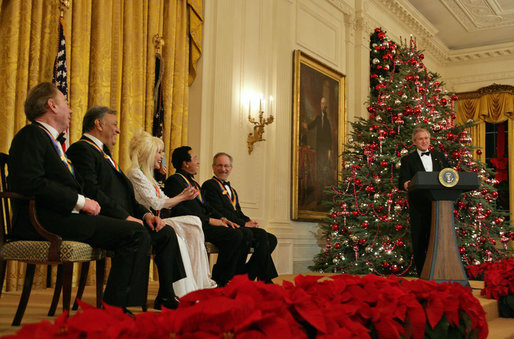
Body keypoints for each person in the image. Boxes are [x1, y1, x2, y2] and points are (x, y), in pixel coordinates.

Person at [8, 82, 151, 312]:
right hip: (42, 219)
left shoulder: (52, 142)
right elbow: (30, 182)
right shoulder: (30, 136)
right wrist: (81, 202)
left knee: (136, 231)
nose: (71, 110)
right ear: (51, 106)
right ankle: (113, 310)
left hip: (62, 216)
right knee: (135, 233)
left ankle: (115, 308)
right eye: (66, 103)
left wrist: (92, 203)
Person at [67, 106, 184, 309]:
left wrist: (146, 215)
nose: (118, 130)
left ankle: (166, 295)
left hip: (119, 218)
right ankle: (116, 305)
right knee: (137, 233)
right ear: (98, 124)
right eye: (114, 124)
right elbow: (91, 192)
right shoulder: (81, 150)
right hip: (101, 219)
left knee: (165, 233)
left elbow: (127, 197)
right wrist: (124, 217)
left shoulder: (105, 154)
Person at [126, 131, 217, 292]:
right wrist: (182, 197)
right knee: (193, 222)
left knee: (194, 223)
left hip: (157, 219)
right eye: (158, 152)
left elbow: (165, 201)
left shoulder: (148, 176)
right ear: (148, 153)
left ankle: (199, 280)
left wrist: (183, 196)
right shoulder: (135, 173)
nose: (162, 156)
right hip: (146, 222)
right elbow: (156, 203)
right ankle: (194, 282)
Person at [163, 146, 246, 287]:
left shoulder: (194, 183)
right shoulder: (174, 181)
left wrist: (222, 219)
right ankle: (222, 279)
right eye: (195, 158)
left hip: (204, 224)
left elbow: (208, 207)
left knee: (240, 234)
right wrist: (209, 220)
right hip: (193, 227)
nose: (198, 162)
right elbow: (180, 210)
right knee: (235, 236)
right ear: (185, 163)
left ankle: (228, 278)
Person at [202, 153, 278, 283]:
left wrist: (248, 221)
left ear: (231, 168)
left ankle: (247, 273)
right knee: (258, 235)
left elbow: (237, 212)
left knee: (271, 239)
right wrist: (244, 224)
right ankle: (264, 278)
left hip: (238, 224)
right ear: (213, 167)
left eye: (226, 166)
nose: (223, 169)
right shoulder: (209, 185)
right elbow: (220, 211)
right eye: (220, 165)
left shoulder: (232, 190)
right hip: (223, 226)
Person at [398, 127, 449, 276]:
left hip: (439, 205)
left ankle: (439, 272)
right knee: (420, 241)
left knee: (438, 239)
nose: (424, 141)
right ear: (414, 142)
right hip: (418, 206)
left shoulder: (440, 157)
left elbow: (450, 175)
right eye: (420, 139)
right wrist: (407, 183)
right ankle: (422, 274)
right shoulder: (407, 160)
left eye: (426, 138)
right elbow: (403, 182)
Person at [303, 96, 333, 205]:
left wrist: (329, 151)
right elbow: (312, 125)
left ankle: (325, 198)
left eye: (324, 103)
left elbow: (329, 137)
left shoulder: (327, 121)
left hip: (325, 149)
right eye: (321, 103)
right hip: (319, 148)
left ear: (326, 106)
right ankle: (318, 197)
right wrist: (306, 126)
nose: (322, 105)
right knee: (319, 171)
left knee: (325, 171)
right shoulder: (318, 117)